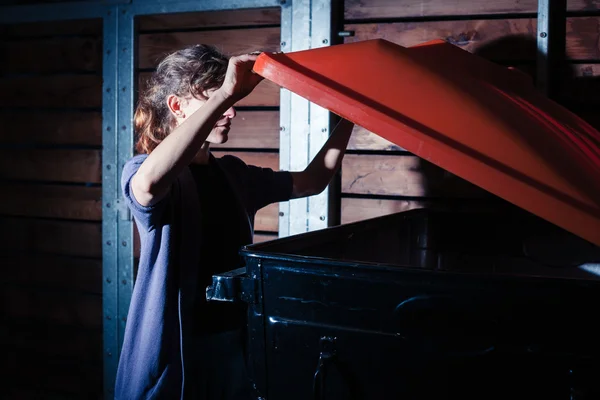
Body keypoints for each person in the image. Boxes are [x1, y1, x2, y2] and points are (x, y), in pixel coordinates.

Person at [114, 44, 354, 399]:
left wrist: (351, 115)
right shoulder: (142, 169)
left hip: (233, 348)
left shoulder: (233, 174)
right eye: (217, 101)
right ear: (177, 107)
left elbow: (313, 180)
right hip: (175, 354)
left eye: (228, 102)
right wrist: (227, 91)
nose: (231, 111)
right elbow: (148, 186)